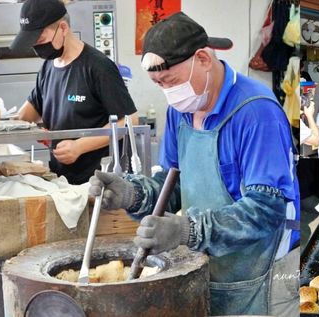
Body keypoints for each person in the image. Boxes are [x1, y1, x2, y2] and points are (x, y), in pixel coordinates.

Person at [88, 12, 300, 316]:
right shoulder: (180, 110)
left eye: (170, 81)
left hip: (261, 275)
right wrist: (131, 194)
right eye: (158, 83)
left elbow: (266, 211)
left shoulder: (255, 112)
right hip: (207, 268)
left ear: (202, 58)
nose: (167, 92)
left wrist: (187, 230)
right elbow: (170, 187)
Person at [13, 0, 138, 185]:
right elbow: (26, 115)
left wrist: (79, 146)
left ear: (63, 28)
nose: (37, 48)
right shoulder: (48, 67)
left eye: (40, 41)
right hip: (61, 179)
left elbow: (129, 121)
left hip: (97, 183)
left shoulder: (98, 67)